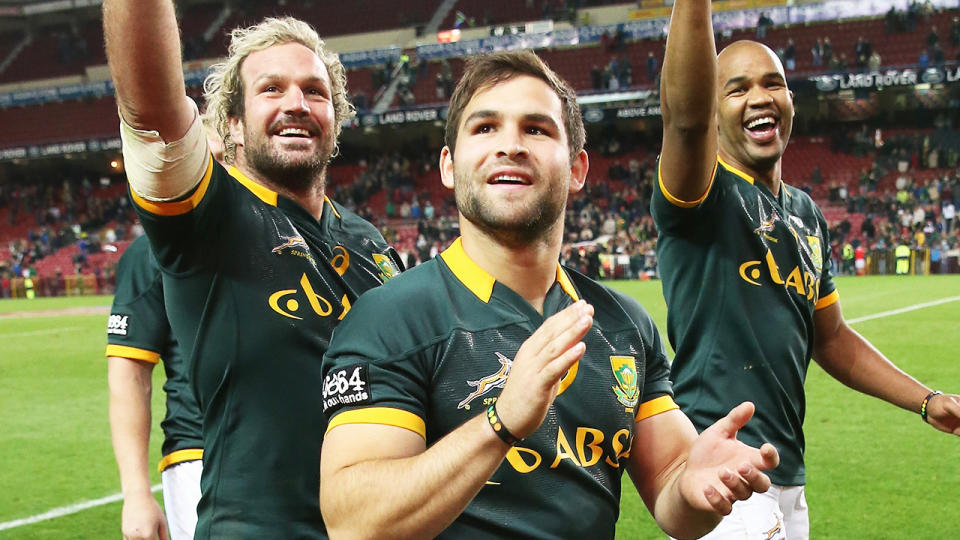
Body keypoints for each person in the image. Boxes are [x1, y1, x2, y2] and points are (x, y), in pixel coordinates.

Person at [319, 50, 779, 540]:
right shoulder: (388, 319)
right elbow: (355, 522)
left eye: (537, 129)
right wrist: (501, 422)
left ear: (578, 167)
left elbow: (671, 487)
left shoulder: (625, 324)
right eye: (485, 128)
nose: (511, 146)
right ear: (449, 166)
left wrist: (697, 487)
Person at [652, 2, 960, 539]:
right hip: (722, 468)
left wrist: (926, 401)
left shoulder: (805, 214)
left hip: (786, 473)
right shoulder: (703, 196)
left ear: (791, 99)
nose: (759, 98)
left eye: (773, 83)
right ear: (714, 107)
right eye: (737, 88)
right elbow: (684, 117)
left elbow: (833, 337)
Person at [102, 3, 402, 538]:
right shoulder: (211, 219)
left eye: (315, 91)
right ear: (233, 125)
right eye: (271, 89)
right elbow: (151, 116)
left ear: (336, 119)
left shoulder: (370, 243)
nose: (296, 103)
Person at [107, 235, 203, 540]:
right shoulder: (154, 247)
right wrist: (136, 494)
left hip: (309, 449)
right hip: (201, 454)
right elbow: (129, 373)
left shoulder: (298, 229)